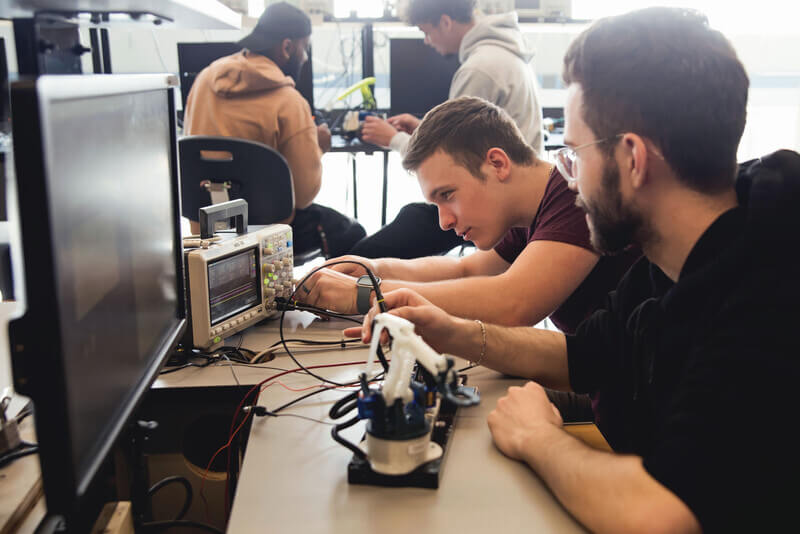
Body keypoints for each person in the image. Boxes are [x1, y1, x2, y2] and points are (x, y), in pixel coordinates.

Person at [350, 8, 800, 533]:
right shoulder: (672, 260)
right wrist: (451, 332)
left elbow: (661, 514)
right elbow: (584, 355)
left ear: (632, 159)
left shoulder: (767, 288)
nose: (567, 177)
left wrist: (539, 437)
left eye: (573, 154)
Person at [302, 96, 639, 422]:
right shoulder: (530, 211)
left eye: (447, 195)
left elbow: (513, 303)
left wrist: (365, 292)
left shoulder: (573, 197)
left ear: (497, 163)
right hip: (601, 388)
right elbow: (465, 269)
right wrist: (373, 267)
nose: (444, 221)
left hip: (628, 407)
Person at [349, 0, 543, 258]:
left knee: (370, 252)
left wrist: (393, 138)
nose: (428, 41)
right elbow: (470, 139)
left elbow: (451, 158)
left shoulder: (479, 68)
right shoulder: (504, 54)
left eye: (427, 32)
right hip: (497, 181)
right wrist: (421, 130)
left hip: (489, 189)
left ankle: (348, 274)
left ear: (446, 22)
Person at [183, 2, 364, 257]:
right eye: (306, 48)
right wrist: (318, 147)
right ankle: (329, 292)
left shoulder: (204, 80)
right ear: (287, 47)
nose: (306, 57)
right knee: (352, 232)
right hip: (267, 236)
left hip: (207, 229)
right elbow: (303, 196)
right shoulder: (289, 102)